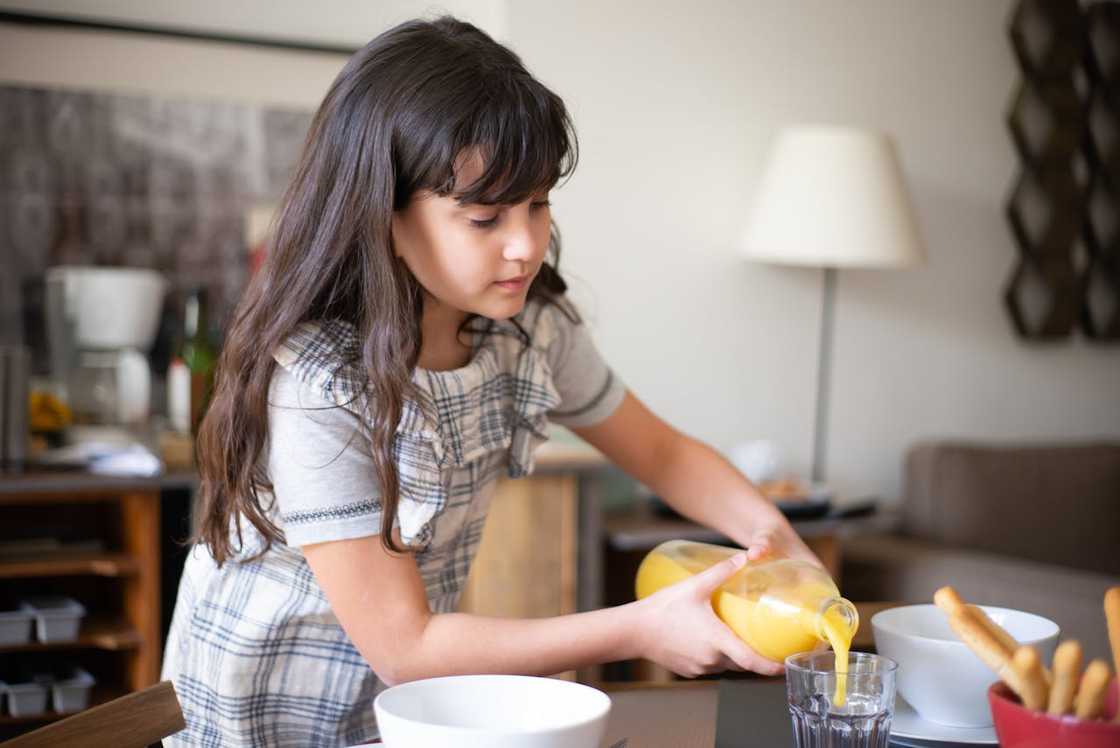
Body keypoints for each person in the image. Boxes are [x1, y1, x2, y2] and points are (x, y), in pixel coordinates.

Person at [161, 15, 822, 746]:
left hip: (411, 703)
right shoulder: (321, 383)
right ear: (385, 217)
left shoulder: (528, 328)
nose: (526, 245)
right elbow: (404, 646)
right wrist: (641, 630)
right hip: (264, 712)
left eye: (538, 205)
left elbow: (661, 453)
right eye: (484, 218)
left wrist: (777, 540)